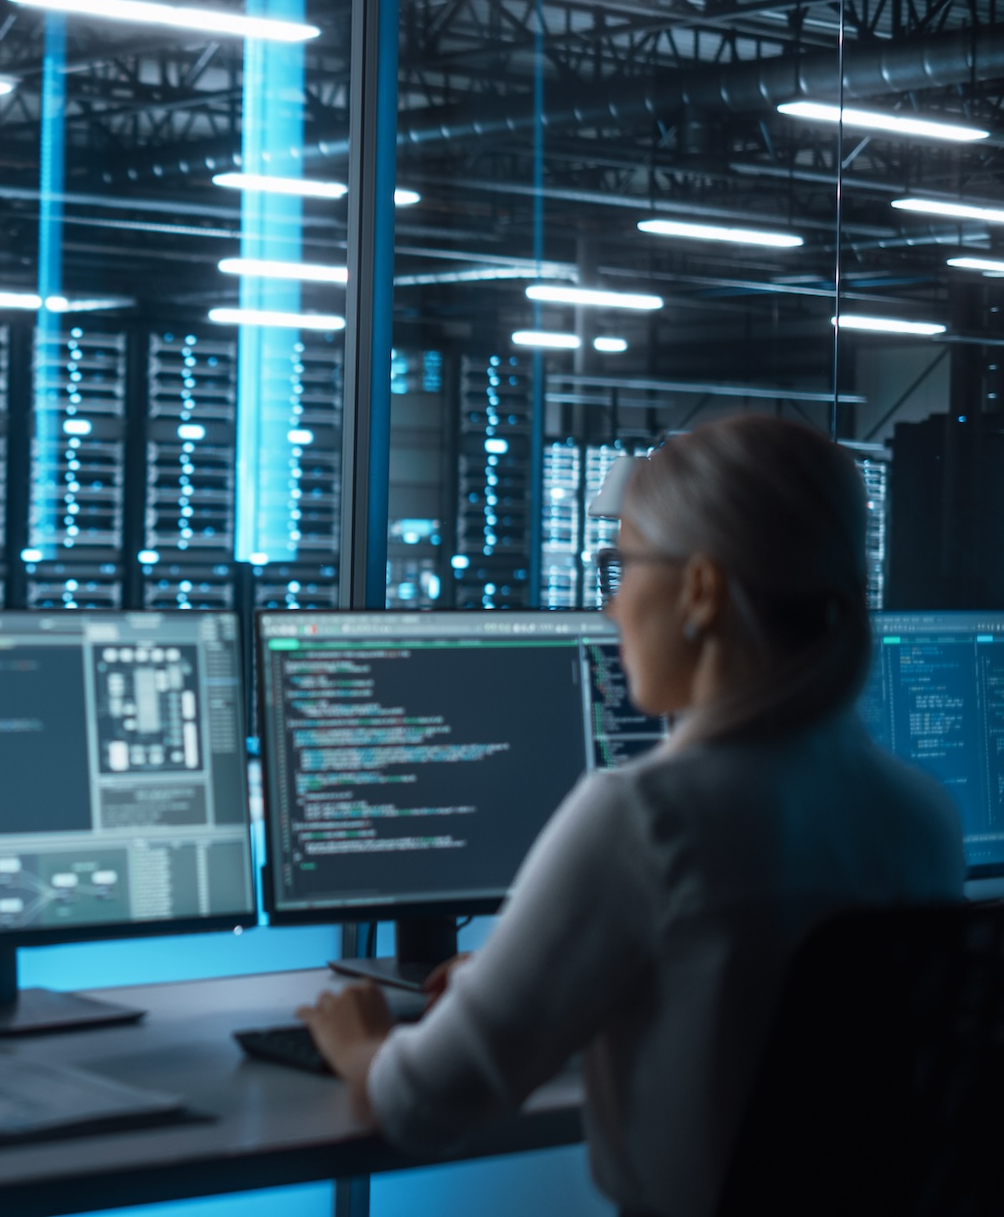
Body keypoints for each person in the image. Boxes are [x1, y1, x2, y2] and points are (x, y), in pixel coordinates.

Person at [296, 414, 964, 1217]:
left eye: (622, 566)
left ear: (701, 590)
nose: (611, 608)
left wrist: (362, 1042)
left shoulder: (646, 819)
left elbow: (428, 1102)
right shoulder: (923, 818)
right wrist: (544, 977)